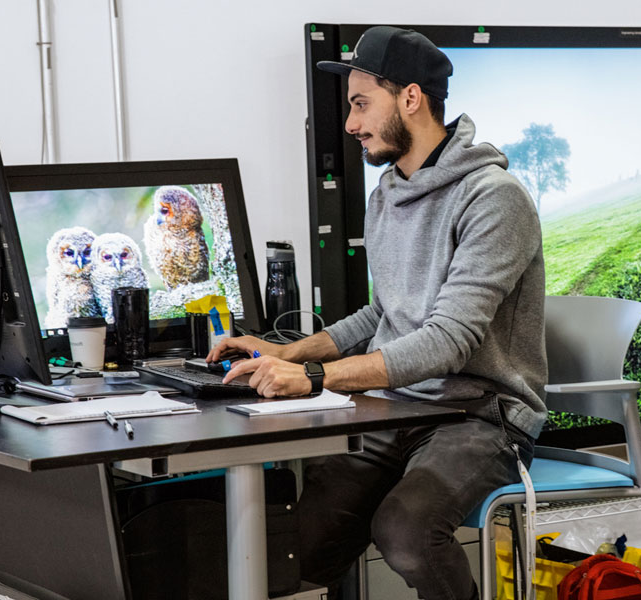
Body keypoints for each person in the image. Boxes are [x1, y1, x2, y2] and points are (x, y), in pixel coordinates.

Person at [208, 26, 547, 600]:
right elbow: (381, 313)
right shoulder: (388, 192)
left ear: (410, 99)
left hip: (482, 415)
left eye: (361, 104)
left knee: (407, 532)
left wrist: (313, 377)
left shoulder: (494, 198)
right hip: (398, 408)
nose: (350, 124)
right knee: (304, 532)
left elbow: (447, 342)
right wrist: (286, 352)